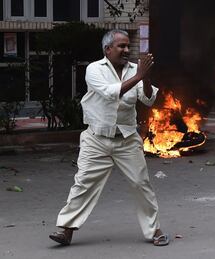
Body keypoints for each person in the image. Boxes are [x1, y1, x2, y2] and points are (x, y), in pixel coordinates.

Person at [49, 29, 169, 246]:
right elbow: (110, 93)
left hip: (127, 139)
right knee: (83, 183)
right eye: (121, 46)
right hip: (96, 138)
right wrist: (140, 76)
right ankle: (65, 229)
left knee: (141, 184)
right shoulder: (94, 69)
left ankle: (155, 231)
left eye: (127, 46)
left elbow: (149, 100)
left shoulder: (135, 69)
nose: (126, 50)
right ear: (108, 49)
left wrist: (147, 76)